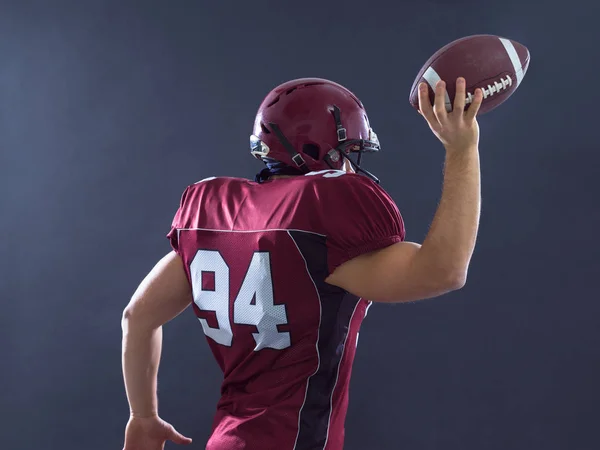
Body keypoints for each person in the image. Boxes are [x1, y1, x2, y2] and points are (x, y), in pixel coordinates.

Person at [121, 77, 483, 450]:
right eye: (348, 152)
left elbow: (138, 316)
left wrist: (143, 417)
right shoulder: (317, 224)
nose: (350, 166)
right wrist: (462, 149)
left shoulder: (215, 217)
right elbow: (444, 270)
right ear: (321, 151)